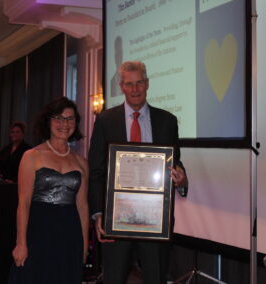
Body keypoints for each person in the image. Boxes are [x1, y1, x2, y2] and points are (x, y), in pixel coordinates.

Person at [88, 61, 188, 284]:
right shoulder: (105, 120)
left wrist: (182, 180)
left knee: (155, 278)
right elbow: (96, 171)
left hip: (154, 221)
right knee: (113, 279)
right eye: (129, 84)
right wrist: (98, 214)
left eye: (139, 83)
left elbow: (176, 164)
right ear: (121, 87)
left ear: (147, 83)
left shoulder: (168, 121)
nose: (135, 89)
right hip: (116, 220)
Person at [8, 97, 89, 284]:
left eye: (70, 119)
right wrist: (21, 243)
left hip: (69, 233)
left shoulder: (81, 162)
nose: (64, 124)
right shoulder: (32, 156)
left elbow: (83, 206)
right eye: (58, 118)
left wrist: (84, 245)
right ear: (48, 122)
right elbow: (24, 202)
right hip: (38, 231)